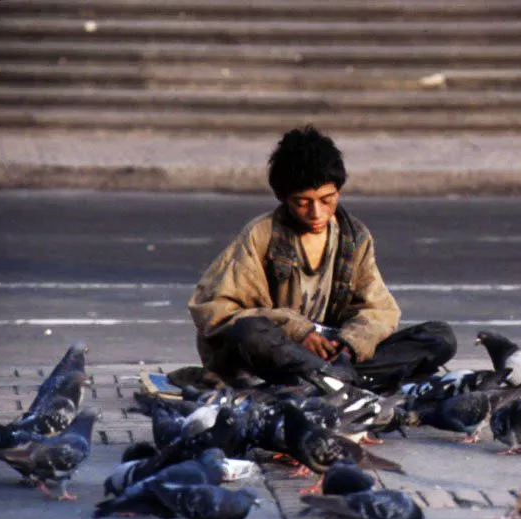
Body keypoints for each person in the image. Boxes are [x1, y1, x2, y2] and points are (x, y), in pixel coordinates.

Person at [188, 125, 456, 393]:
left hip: (330, 351)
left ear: (338, 191)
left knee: (439, 337)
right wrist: (296, 330)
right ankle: (338, 382)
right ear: (282, 198)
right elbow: (214, 312)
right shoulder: (262, 234)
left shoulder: (355, 236)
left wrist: (350, 344)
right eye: (303, 203)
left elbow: (379, 311)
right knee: (249, 332)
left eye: (327, 200)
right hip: (277, 352)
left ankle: (327, 380)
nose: (316, 213)